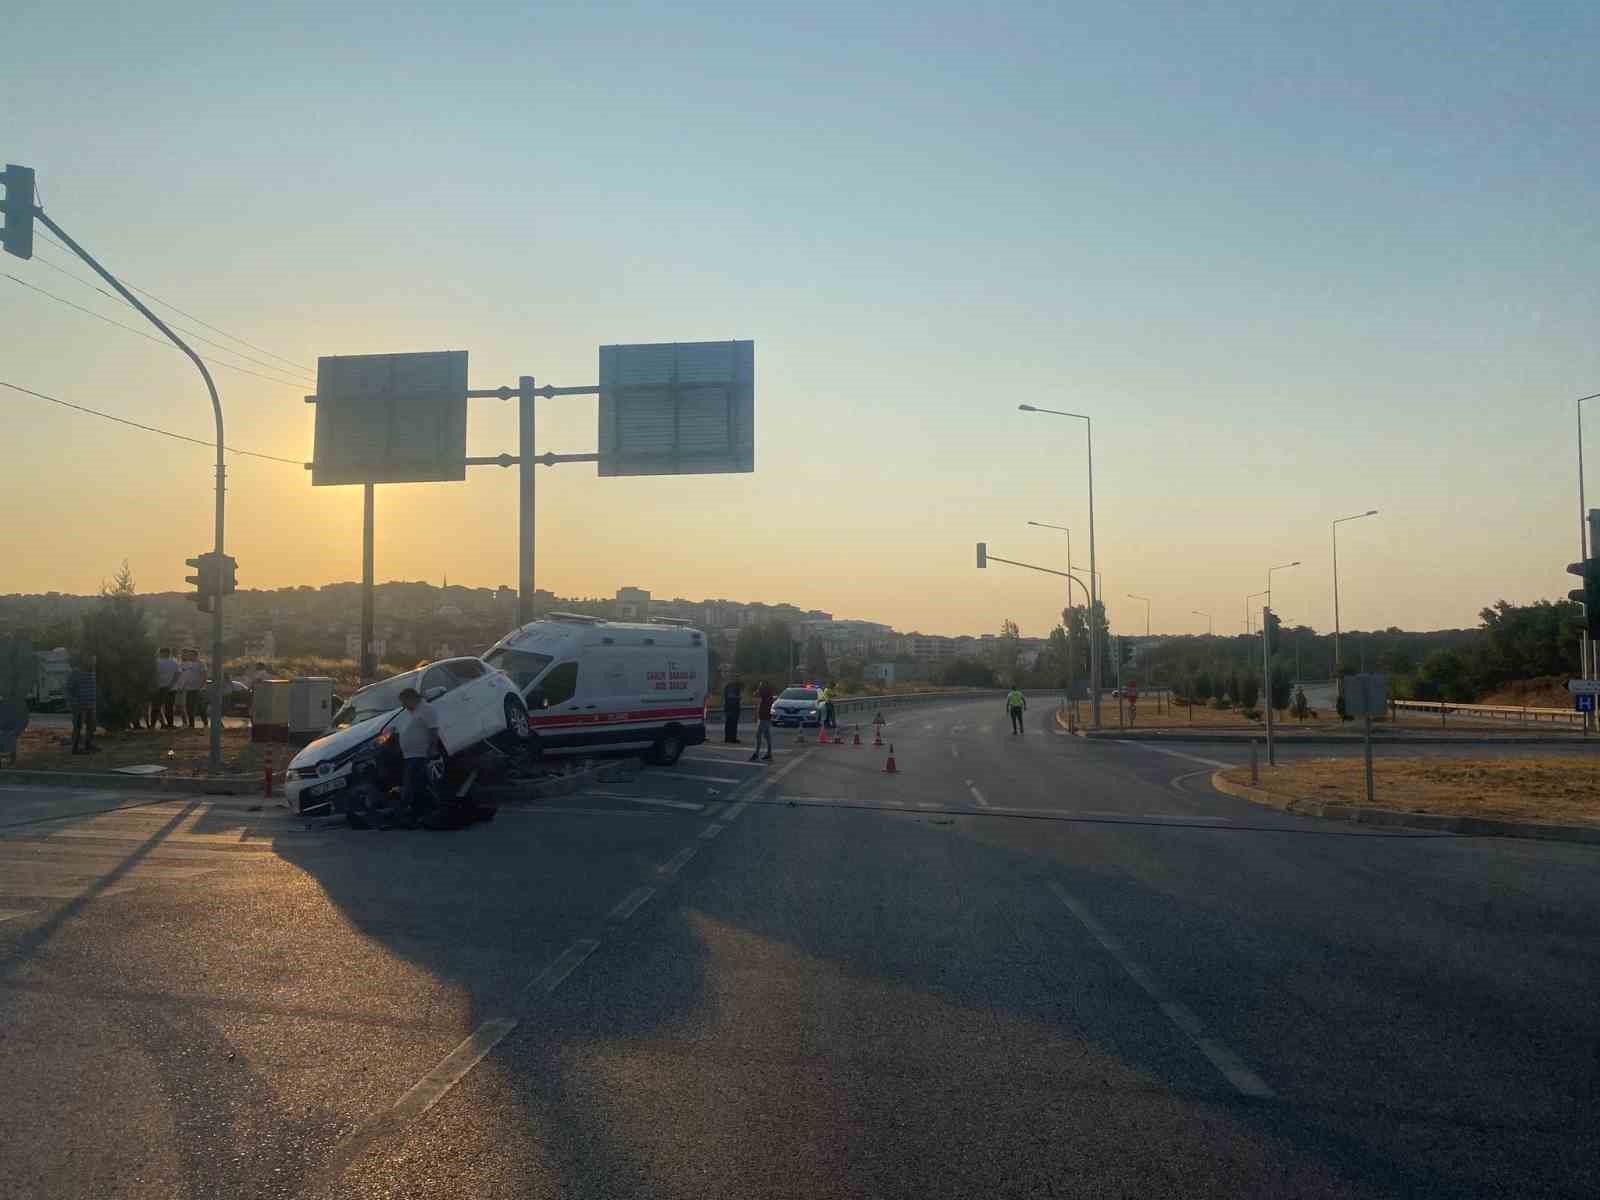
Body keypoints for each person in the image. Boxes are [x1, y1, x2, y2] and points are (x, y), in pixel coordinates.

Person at [396, 686, 442, 822]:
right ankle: (422, 811)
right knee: (416, 784)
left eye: (404, 702)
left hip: (420, 754)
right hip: (409, 755)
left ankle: (423, 811)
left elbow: (433, 730)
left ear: (412, 698)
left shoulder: (426, 709)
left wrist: (432, 748)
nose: (403, 705)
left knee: (414, 784)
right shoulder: (410, 712)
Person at [65, 653, 97, 754]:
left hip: (90, 705)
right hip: (79, 706)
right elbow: (68, 690)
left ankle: (88, 744)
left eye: (94, 661)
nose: (93, 663)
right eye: (92, 661)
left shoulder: (91, 673)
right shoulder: (75, 673)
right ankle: (75, 749)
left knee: (92, 726)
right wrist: (74, 703)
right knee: (78, 727)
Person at [175, 650, 204, 729]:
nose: (183, 656)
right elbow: (181, 677)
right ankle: (190, 724)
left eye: (187, 655)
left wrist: (202, 685)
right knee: (187, 706)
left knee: (198, 706)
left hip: (195, 688)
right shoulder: (181, 664)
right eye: (182, 655)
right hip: (185, 688)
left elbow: (204, 675)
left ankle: (204, 723)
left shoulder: (198, 664)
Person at [154, 647, 180, 729]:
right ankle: (170, 724)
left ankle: (152, 725)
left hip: (160, 687)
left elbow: (154, 674)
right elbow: (177, 675)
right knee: (169, 707)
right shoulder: (174, 662)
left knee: (157, 706)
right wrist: (171, 684)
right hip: (171, 688)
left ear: (161, 653)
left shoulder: (156, 662)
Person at [750, 680, 774, 762]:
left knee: (759, 735)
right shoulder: (769, 693)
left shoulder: (764, 692)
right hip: (766, 716)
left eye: (761, 685)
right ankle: (769, 753)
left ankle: (756, 753)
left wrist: (759, 688)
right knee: (767, 736)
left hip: (764, 716)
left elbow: (755, 694)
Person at [722, 675, 743, 744]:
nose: (737, 680)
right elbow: (729, 696)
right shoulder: (730, 687)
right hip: (731, 708)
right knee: (730, 723)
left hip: (734, 708)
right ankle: (730, 738)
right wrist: (738, 697)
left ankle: (730, 738)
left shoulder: (734, 686)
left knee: (732, 723)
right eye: (736, 678)